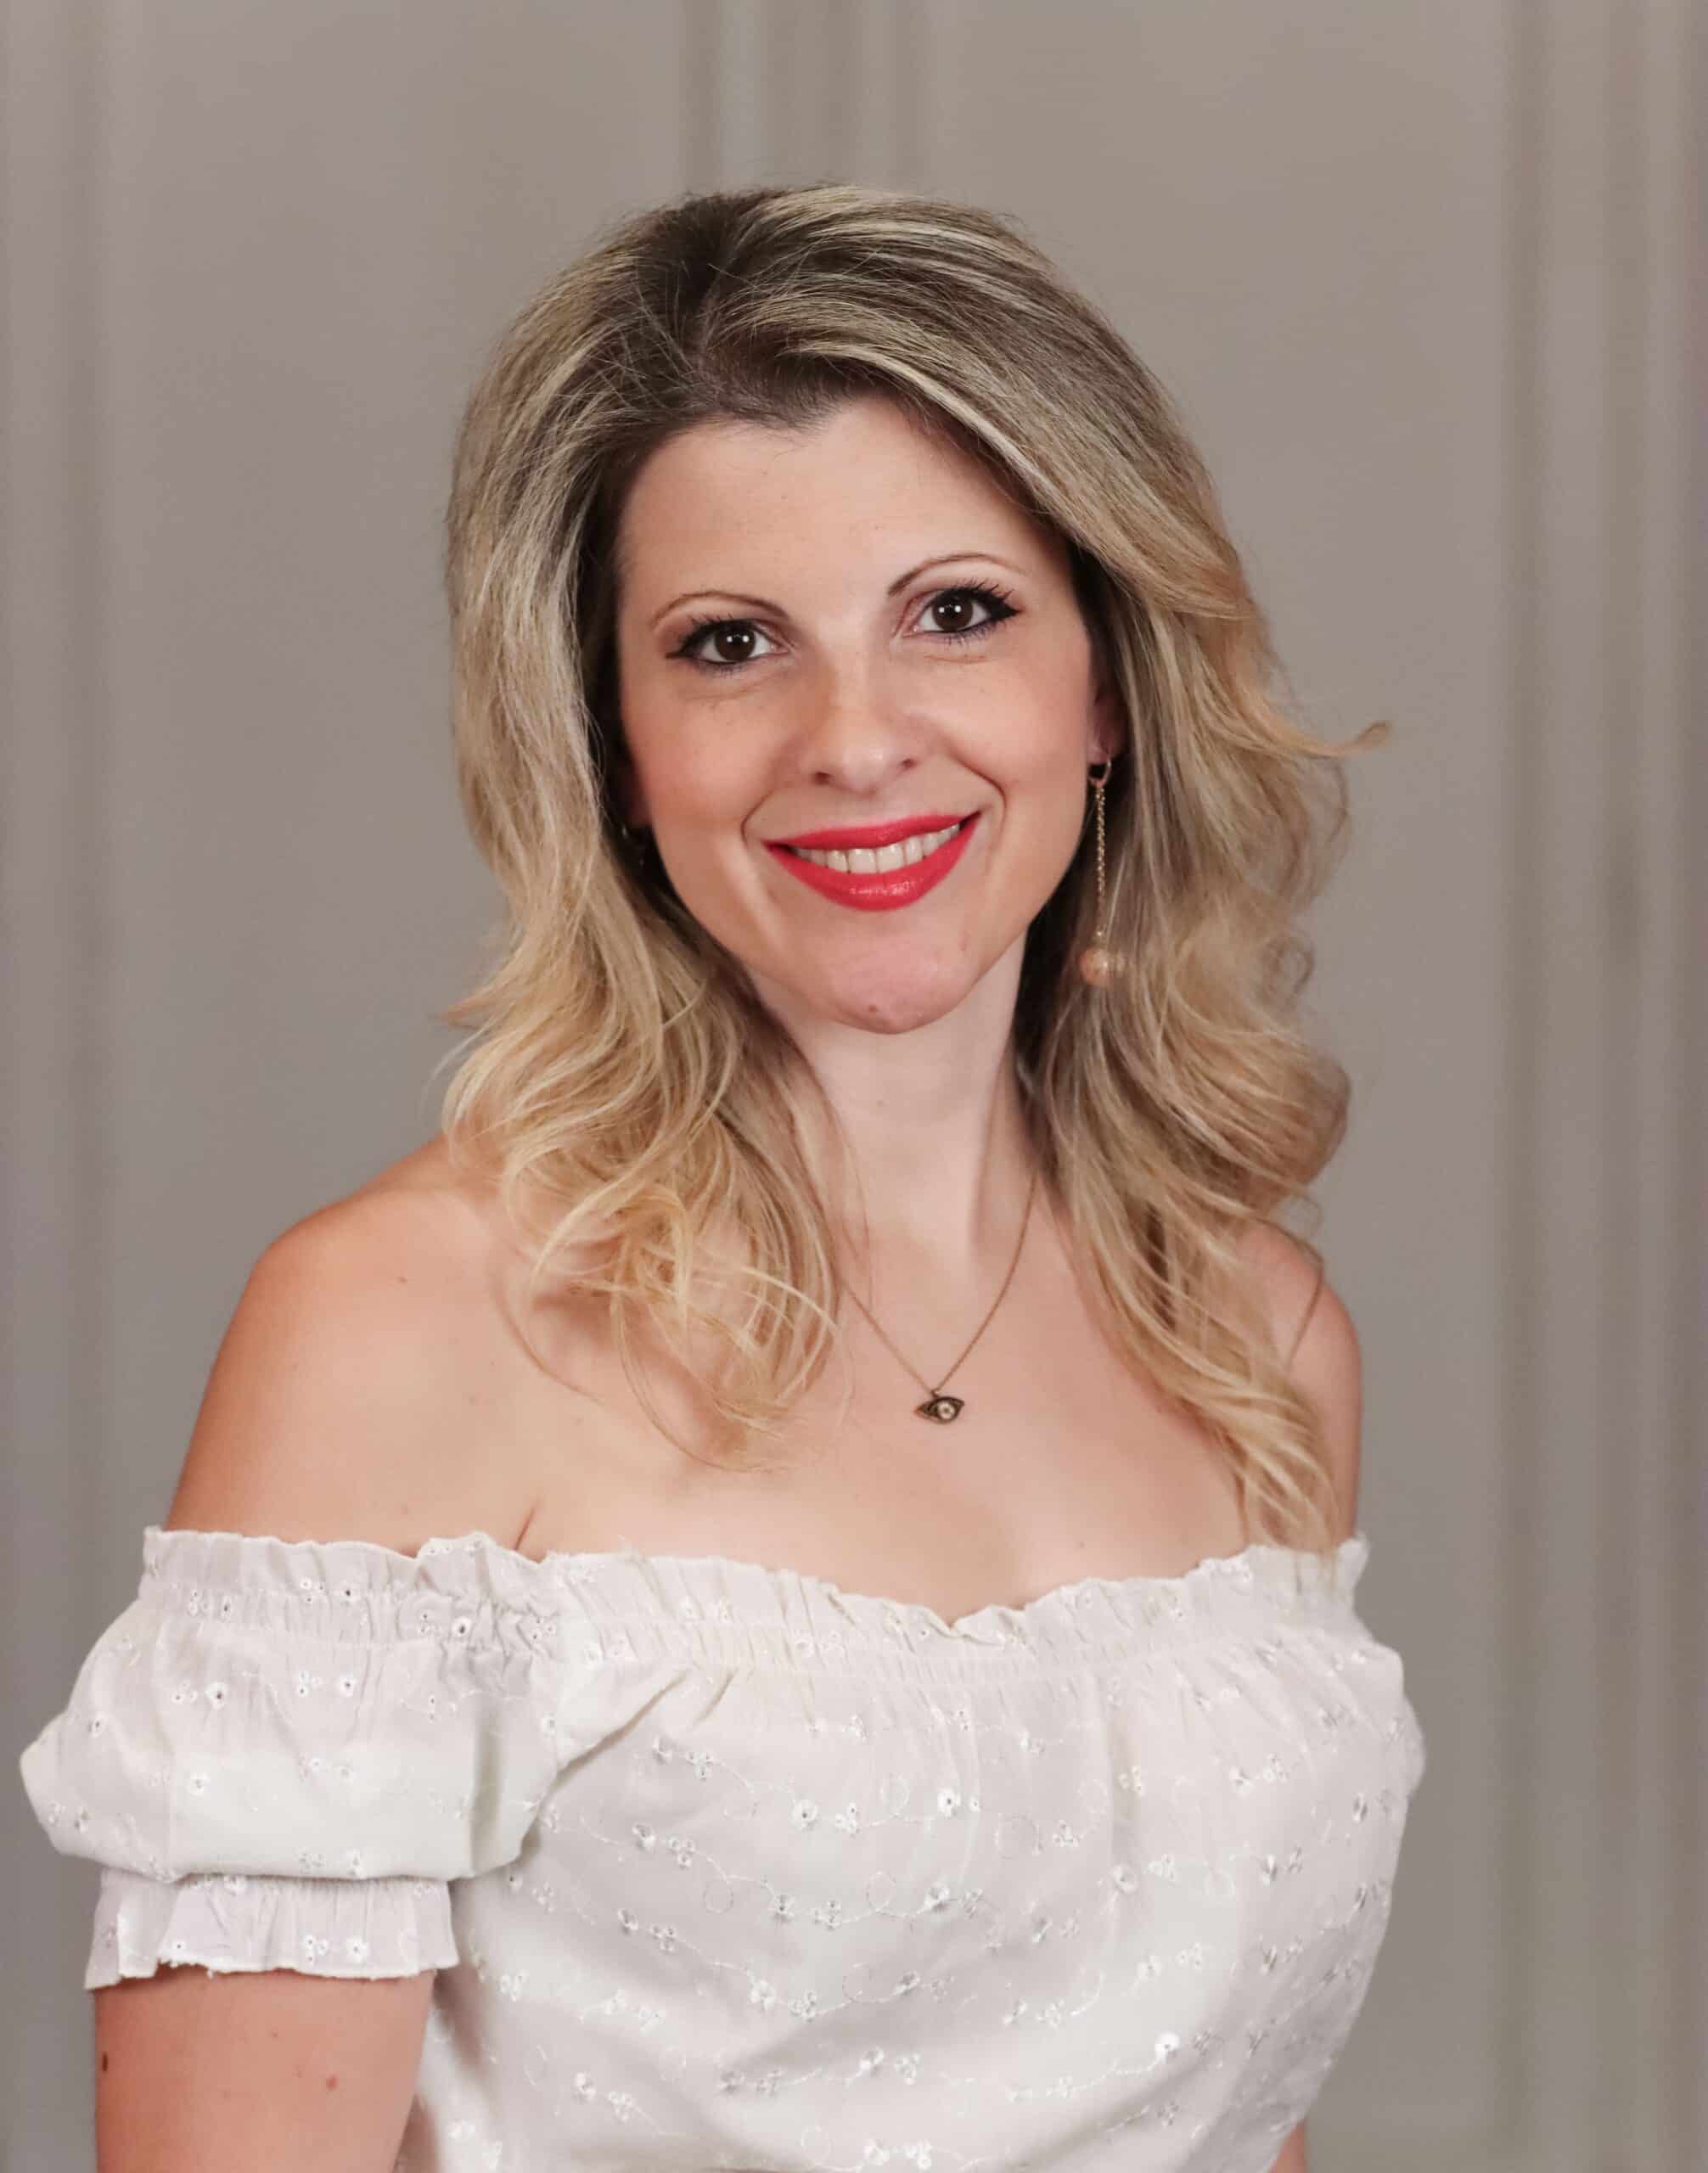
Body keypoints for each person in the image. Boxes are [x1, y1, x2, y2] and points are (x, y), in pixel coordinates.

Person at [20, 182, 1426, 2172]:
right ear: (611, 740)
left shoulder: (1256, 1339)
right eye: (730, 643)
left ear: (1105, 683)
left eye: (956, 611)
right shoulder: (403, 1324)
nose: (854, 739)